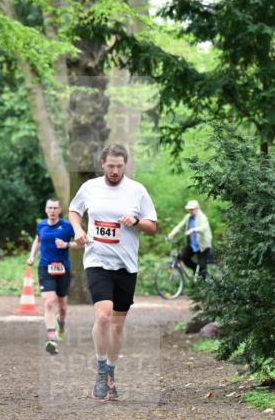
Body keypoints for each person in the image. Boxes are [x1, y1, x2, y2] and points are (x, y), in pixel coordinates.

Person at [69, 143, 157, 401]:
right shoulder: (90, 188)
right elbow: (75, 210)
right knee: (104, 316)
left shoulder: (137, 191)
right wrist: (78, 229)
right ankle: (100, 370)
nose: (115, 170)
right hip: (97, 260)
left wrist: (137, 222)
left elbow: (153, 225)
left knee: (117, 326)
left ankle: (111, 373)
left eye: (119, 166)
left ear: (125, 165)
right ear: (103, 165)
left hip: (126, 265)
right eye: (110, 166)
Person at [27, 198, 77, 355]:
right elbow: (37, 240)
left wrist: (67, 245)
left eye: (55, 208)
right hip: (45, 268)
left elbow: (82, 241)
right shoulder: (41, 225)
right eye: (50, 208)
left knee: (62, 306)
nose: (52, 211)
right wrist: (31, 256)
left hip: (63, 270)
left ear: (60, 210)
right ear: (46, 209)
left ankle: (61, 325)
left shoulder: (67, 226)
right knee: (49, 303)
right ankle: (51, 338)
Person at [166, 199, 213, 278]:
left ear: (197, 208)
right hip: (192, 244)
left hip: (202, 246)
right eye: (189, 209)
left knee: (202, 267)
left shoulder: (202, 217)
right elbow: (180, 226)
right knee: (184, 258)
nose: (190, 211)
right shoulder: (188, 217)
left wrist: (194, 229)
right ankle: (195, 270)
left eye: (192, 209)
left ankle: (204, 285)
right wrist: (172, 233)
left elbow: (204, 227)